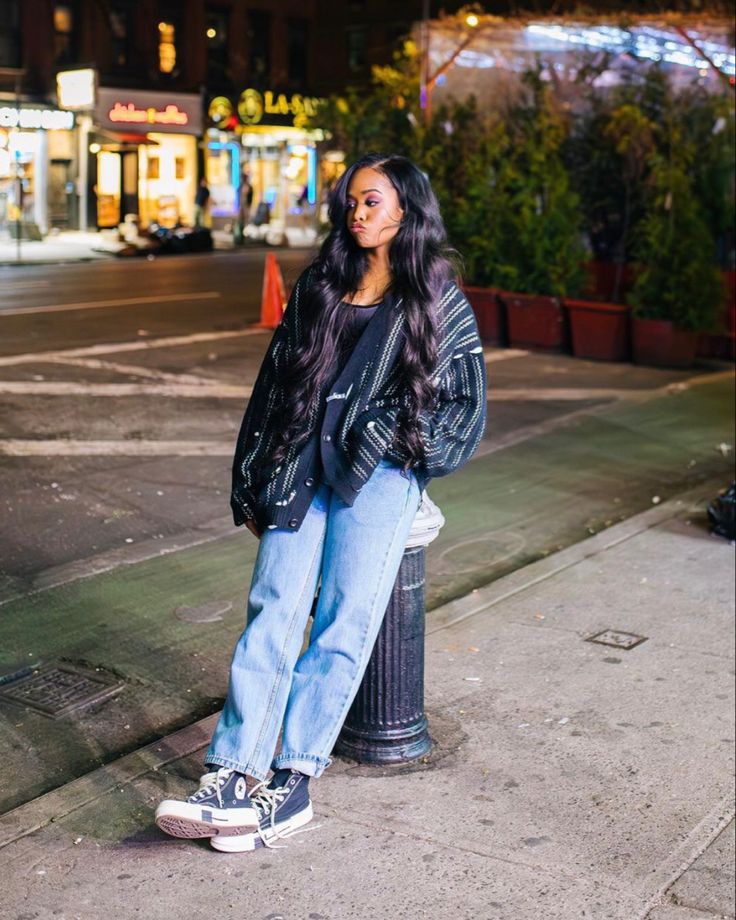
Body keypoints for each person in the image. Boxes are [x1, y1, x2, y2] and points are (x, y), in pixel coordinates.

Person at [155, 153, 487, 852]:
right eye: (352, 202)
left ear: (406, 210)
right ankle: (232, 773)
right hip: (301, 465)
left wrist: (391, 436)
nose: (356, 213)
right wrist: (250, 475)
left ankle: (292, 779)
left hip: (379, 478)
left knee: (343, 620)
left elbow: (464, 405)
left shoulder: (434, 298)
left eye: (371, 201)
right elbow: (275, 386)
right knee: (273, 606)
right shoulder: (320, 285)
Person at [236, 171, 254, 243]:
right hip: (241, 205)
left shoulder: (249, 187)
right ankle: (240, 236)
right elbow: (238, 195)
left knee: (246, 220)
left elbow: (250, 196)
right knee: (240, 220)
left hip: (246, 205)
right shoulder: (241, 186)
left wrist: (249, 205)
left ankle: (246, 235)